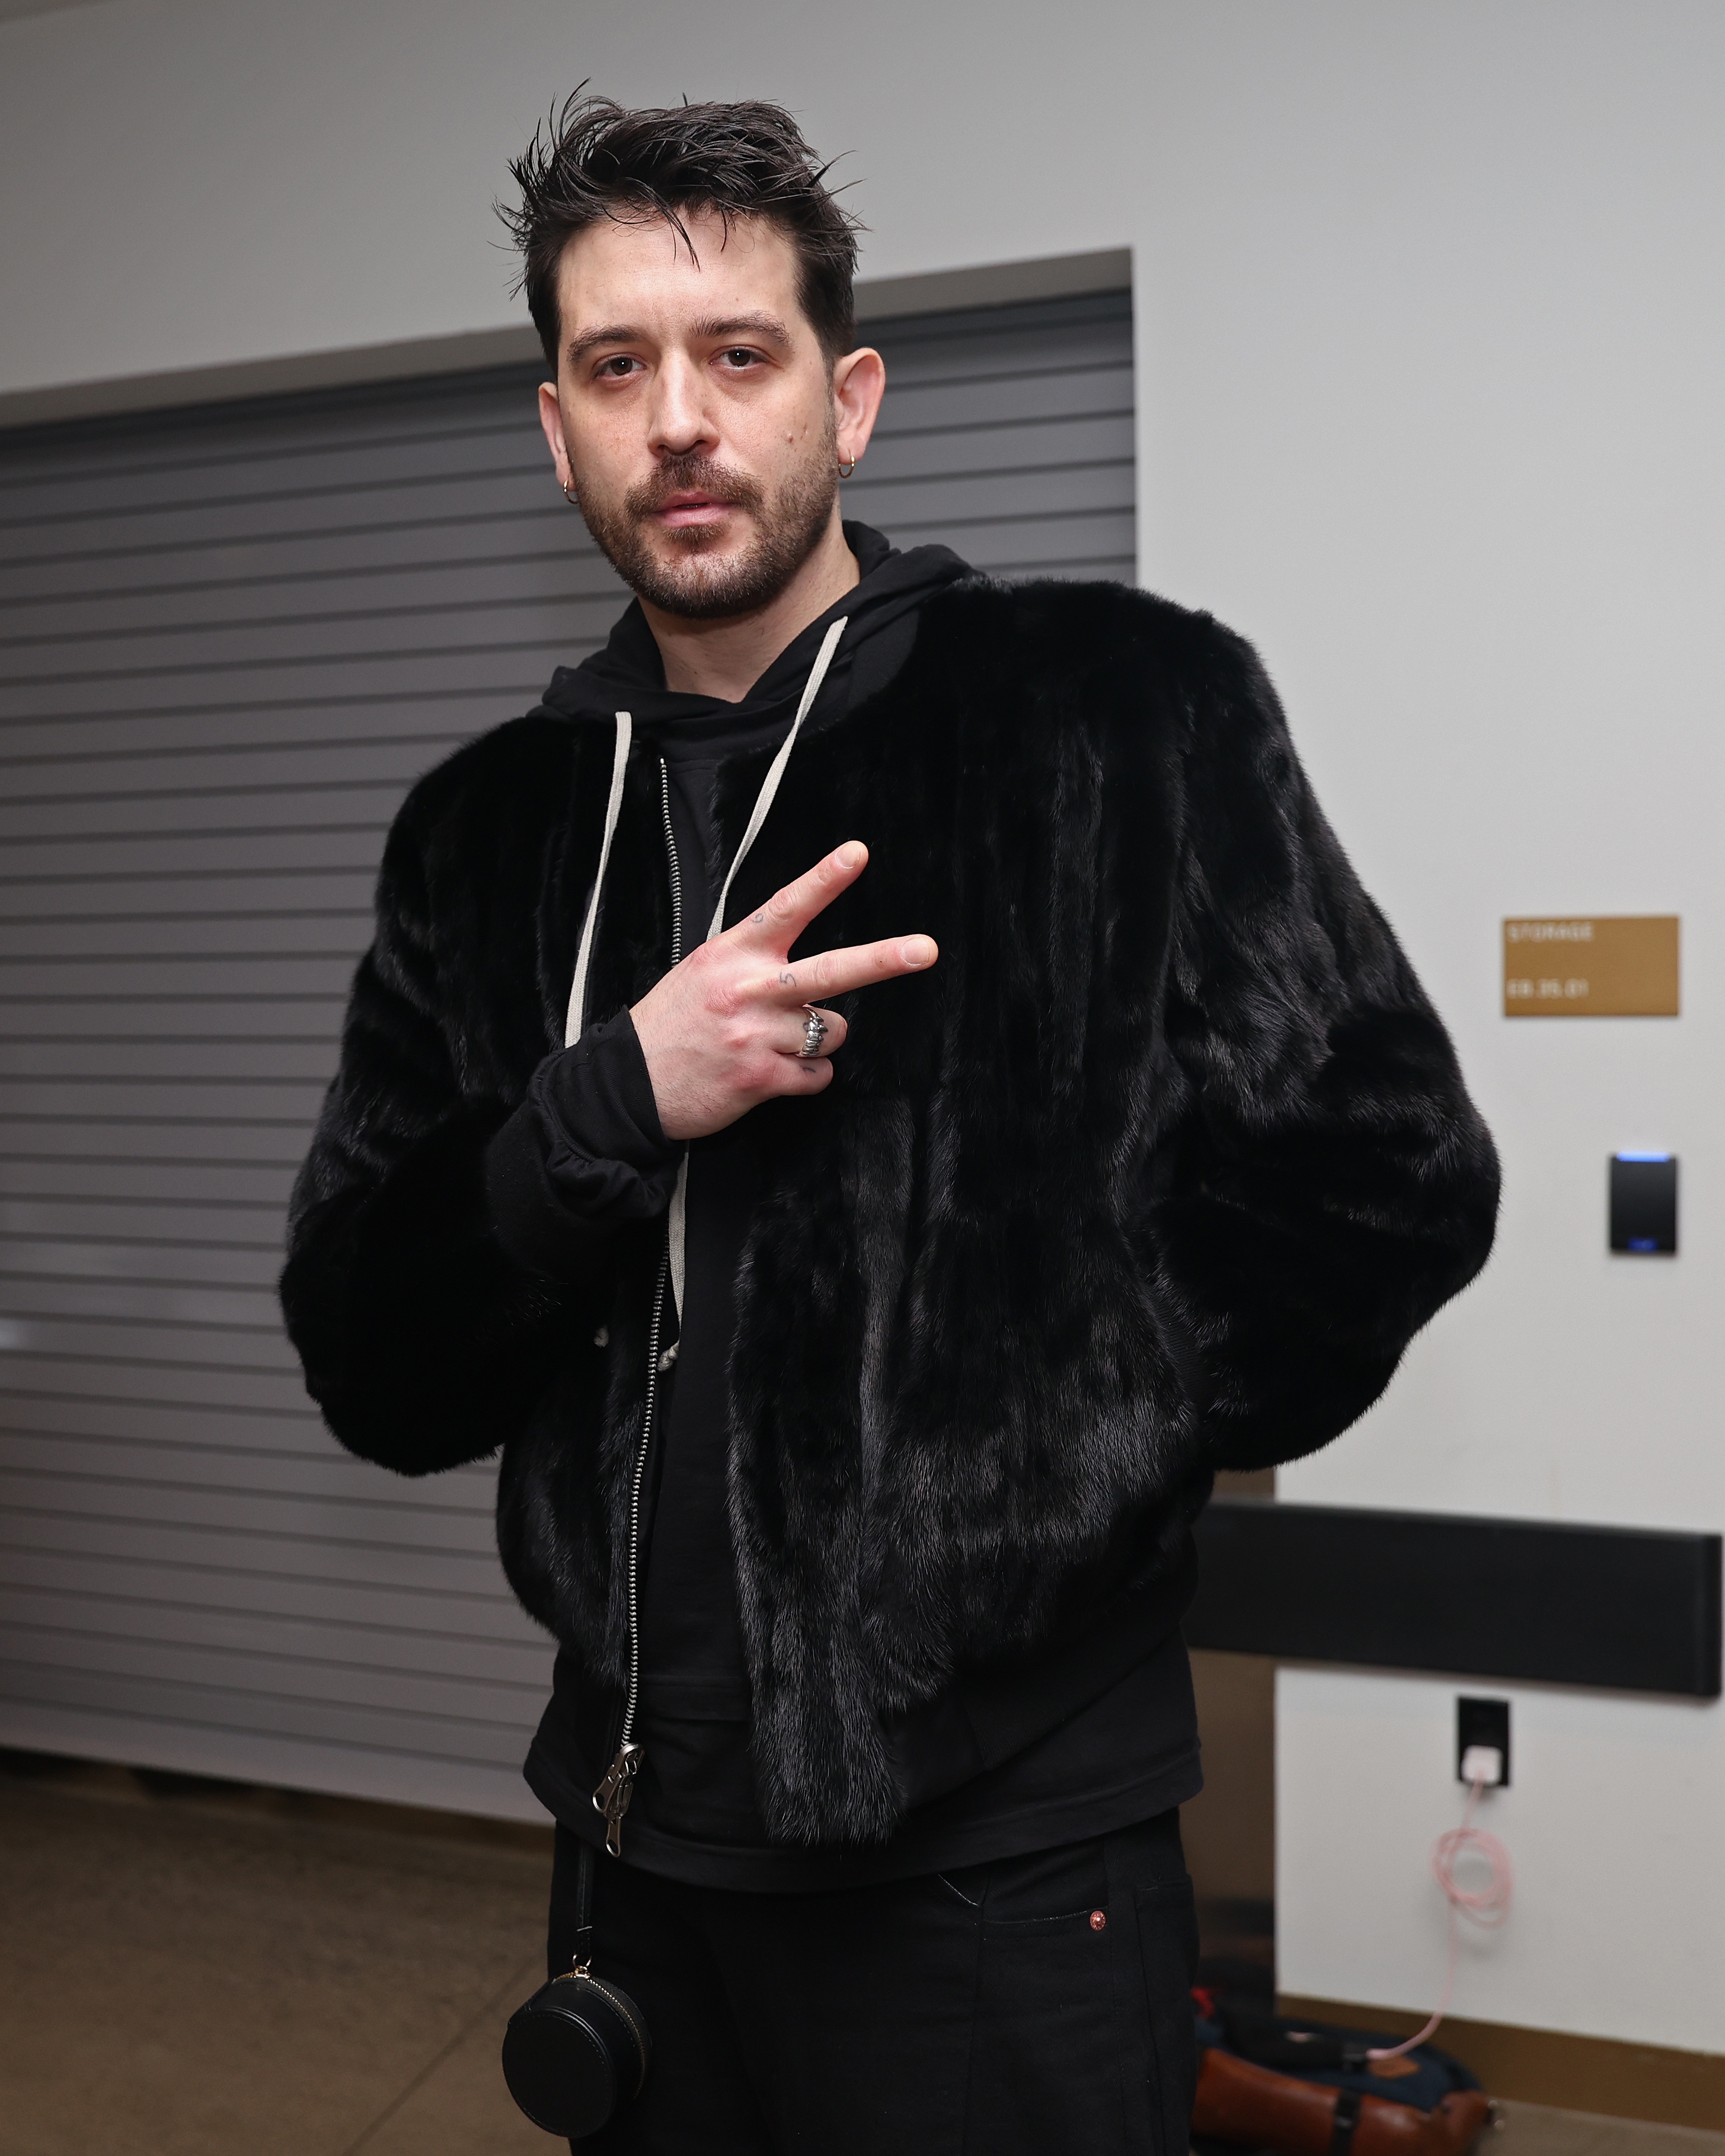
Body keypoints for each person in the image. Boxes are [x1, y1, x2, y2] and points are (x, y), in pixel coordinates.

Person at [280, 94, 1499, 2155]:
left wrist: (1068, 1426)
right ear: (553, 430)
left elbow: (1390, 1179)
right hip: (638, 1847)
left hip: (1008, 1853)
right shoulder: (482, 836)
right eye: (617, 367)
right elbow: (373, 1353)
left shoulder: (1120, 712)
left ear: (846, 399)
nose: (681, 418)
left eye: (737, 356)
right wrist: (604, 1109)